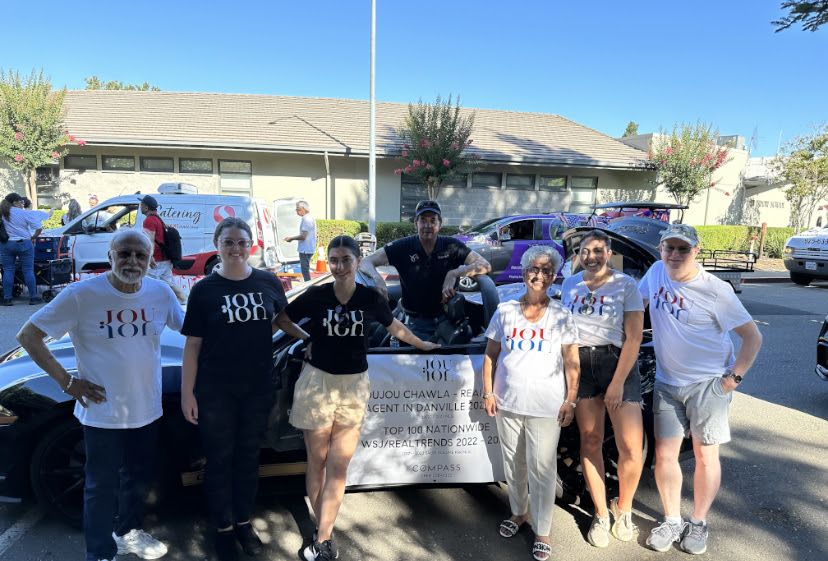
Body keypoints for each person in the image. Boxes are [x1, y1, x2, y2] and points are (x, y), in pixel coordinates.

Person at [16, 229, 184, 561]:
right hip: (101, 411)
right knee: (99, 488)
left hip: (146, 408)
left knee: (136, 480)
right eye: (124, 253)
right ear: (110, 256)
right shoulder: (82, 294)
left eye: (141, 255)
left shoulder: (160, 292)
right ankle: (99, 552)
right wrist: (67, 382)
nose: (132, 261)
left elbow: (189, 327)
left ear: (151, 260)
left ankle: (127, 533)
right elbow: (29, 336)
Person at [274, 235, 439, 561]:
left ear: (357, 259)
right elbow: (281, 318)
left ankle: (322, 539)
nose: (338, 266)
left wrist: (424, 346)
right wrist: (308, 337)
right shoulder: (317, 294)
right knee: (317, 464)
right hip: (317, 384)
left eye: (345, 260)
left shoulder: (369, 297)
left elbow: (395, 328)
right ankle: (326, 528)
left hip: (352, 387)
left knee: (338, 467)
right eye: (333, 260)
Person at [639, 223, 762, 555]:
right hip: (667, 383)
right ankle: (671, 519)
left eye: (683, 249)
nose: (675, 255)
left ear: (696, 251)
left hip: (708, 386)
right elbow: (634, 305)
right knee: (664, 456)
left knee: (707, 457)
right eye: (669, 248)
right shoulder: (654, 271)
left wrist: (731, 381)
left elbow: (753, 337)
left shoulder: (715, 290)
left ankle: (698, 522)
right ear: (661, 249)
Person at [180, 217, 288, 561]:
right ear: (218, 246)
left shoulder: (269, 282)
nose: (236, 248)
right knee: (219, 461)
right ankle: (223, 528)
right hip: (215, 392)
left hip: (257, 390)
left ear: (251, 245)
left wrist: (312, 340)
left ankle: (244, 522)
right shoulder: (204, 290)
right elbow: (192, 346)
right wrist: (187, 394)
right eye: (228, 242)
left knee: (247, 460)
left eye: (242, 242)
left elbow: (284, 322)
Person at [482, 245, 580, 561]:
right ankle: (519, 512)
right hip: (507, 402)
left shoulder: (562, 315)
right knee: (513, 463)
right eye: (534, 270)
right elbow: (490, 355)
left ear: (553, 277)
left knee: (542, 468)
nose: (539, 276)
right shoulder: (505, 311)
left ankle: (542, 530)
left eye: (546, 271)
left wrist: (571, 400)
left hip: (546, 406)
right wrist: (488, 392)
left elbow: (571, 361)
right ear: (525, 273)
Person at [560, 229, 645, 547]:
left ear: (608, 254)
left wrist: (619, 382)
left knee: (631, 448)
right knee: (591, 441)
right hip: (582, 365)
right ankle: (600, 513)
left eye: (598, 251)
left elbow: (634, 338)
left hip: (617, 363)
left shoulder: (626, 285)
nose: (591, 256)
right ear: (578, 255)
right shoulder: (569, 284)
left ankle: (623, 509)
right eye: (585, 251)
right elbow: (566, 331)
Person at [359, 199, 491, 340]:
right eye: (423, 220)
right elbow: (366, 262)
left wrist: (455, 273)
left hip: (445, 319)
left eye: (433, 220)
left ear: (440, 224)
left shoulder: (452, 246)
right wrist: (377, 277)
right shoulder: (402, 246)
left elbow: (485, 264)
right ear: (416, 223)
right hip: (411, 319)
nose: (428, 225)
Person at [139, 195, 187, 304]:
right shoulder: (158, 218)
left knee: (146, 282)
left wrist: (149, 257)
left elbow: (149, 239)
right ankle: (184, 300)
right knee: (170, 282)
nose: (140, 207)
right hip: (165, 258)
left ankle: (148, 304)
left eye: (141, 205)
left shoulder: (149, 220)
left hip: (157, 259)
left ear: (146, 208)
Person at [1, 193, 46, 305]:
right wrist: (33, 237)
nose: (23, 203)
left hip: (6, 244)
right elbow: (39, 228)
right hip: (24, 243)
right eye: (21, 201)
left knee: (8, 271)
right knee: (28, 270)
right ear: (14, 203)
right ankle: (33, 297)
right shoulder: (24, 213)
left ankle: (7, 298)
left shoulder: (2, 212)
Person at [283, 200, 317, 282]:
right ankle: (308, 286)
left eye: (297, 209)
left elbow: (303, 236)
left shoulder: (306, 219)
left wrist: (291, 238)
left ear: (302, 209)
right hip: (309, 248)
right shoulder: (310, 217)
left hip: (305, 249)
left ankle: (308, 287)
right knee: (306, 269)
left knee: (305, 270)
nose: (296, 211)